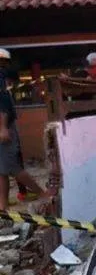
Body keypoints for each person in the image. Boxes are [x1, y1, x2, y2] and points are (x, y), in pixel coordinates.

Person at [0, 48, 53, 212]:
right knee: (2, 169)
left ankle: (43, 193)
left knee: (12, 168)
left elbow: (2, 104)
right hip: (3, 126)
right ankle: (3, 206)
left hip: (3, 126)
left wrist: (2, 128)